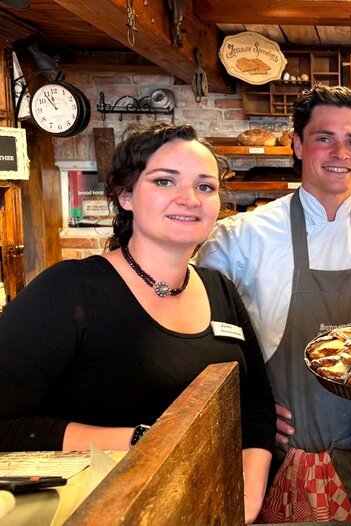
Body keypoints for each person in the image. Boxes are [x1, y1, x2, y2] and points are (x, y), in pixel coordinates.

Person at [0, 121, 275, 524]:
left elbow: (254, 408)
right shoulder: (69, 289)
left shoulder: (220, 289)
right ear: (125, 195)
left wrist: (244, 501)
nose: (189, 199)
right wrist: (144, 440)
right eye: (165, 181)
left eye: (205, 186)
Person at [194, 84, 351, 522]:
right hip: (276, 464)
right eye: (324, 138)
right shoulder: (241, 238)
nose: (340, 152)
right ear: (297, 144)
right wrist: (245, 409)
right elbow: (205, 344)